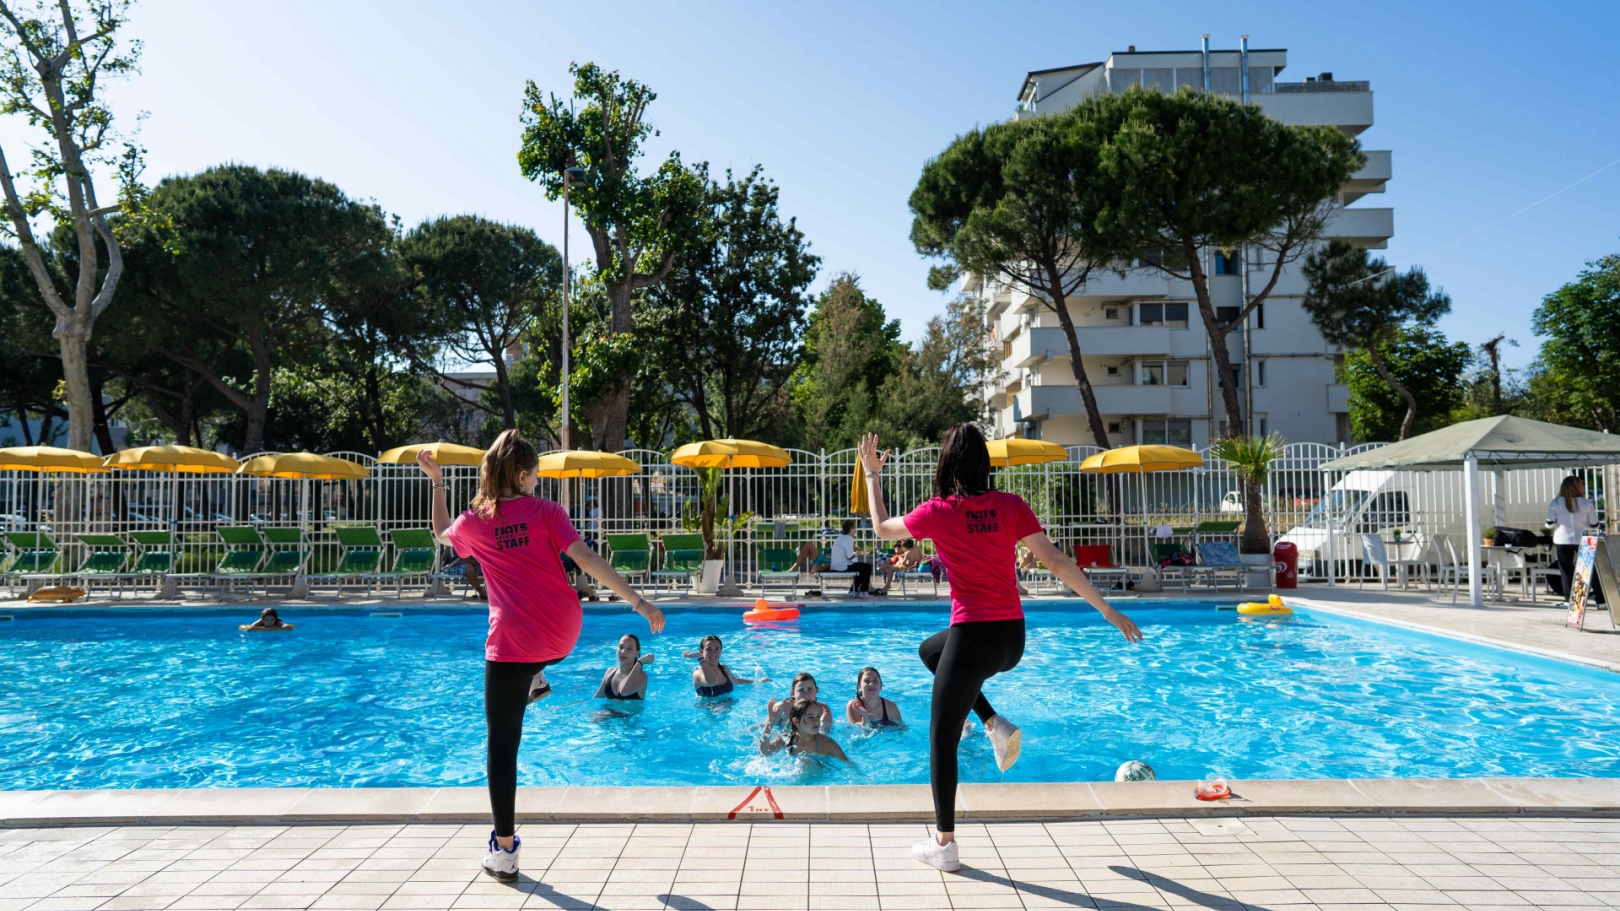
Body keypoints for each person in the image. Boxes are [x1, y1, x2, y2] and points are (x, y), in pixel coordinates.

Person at [856, 424, 1142, 873]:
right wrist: (1106, 610)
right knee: (930, 651)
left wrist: (872, 475)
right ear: (984, 464)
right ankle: (993, 722)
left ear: (945, 464)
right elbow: (1056, 560)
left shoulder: (939, 510)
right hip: (1012, 639)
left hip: (974, 638)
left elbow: (880, 528)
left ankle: (944, 846)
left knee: (940, 737)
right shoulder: (1010, 505)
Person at [418, 430, 665, 883]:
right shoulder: (548, 512)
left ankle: (505, 851)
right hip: (562, 632)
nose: (537, 483)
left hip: (513, 642)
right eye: (534, 476)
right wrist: (638, 602)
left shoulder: (475, 520)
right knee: (535, 660)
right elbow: (587, 560)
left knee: (502, 746)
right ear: (522, 474)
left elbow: (439, 535)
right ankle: (536, 676)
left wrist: (437, 482)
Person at [1548, 475, 1601, 604]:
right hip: (1584, 539)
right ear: (1577, 486)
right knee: (1589, 569)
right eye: (1581, 484)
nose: (1583, 486)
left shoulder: (1555, 502)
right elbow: (1594, 524)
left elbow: (1549, 523)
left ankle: (1570, 601)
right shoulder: (1587, 503)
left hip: (1563, 540)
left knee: (1566, 571)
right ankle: (1601, 600)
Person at [760, 697, 848, 762]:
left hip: (820, 777)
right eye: (810, 717)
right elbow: (764, 753)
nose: (817, 721)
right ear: (796, 721)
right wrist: (770, 722)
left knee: (804, 761)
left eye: (818, 716)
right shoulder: (786, 739)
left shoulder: (827, 743)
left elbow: (849, 765)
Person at [690, 634, 767, 697]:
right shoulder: (697, 674)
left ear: (721, 650)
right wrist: (700, 657)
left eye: (717, 649)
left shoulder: (723, 669)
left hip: (729, 706)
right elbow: (711, 682)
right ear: (701, 651)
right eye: (709, 649)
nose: (713, 653)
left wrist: (757, 681)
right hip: (708, 712)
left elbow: (735, 681)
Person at [767, 671, 833, 732]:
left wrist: (823, 725)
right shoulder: (782, 707)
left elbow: (825, 736)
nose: (806, 694)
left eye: (810, 689)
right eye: (801, 690)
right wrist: (770, 719)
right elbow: (768, 728)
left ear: (816, 691)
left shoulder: (823, 710)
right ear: (793, 692)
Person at [595, 633, 654, 700]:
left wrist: (640, 662)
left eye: (629, 649)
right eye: (621, 647)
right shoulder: (610, 672)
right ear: (616, 650)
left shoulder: (642, 676)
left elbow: (624, 691)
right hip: (605, 710)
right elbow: (596, 698)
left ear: (637, 653)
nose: (623, 652)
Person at [831, 519, 873, 595]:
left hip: (835, 566)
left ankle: (853, 589)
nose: (855, 530)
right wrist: (857, 554)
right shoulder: (849, 538)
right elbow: (849, 556)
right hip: (843, 566)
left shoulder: (839, 537)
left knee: (859, 568)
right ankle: (864, 591)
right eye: (854, 528)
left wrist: (853, 552)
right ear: (851, 528)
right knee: (867, 567)